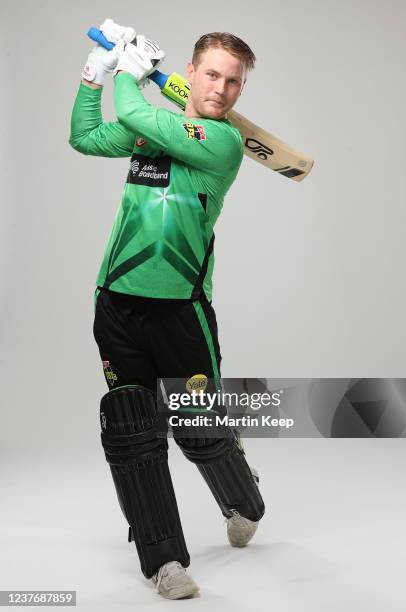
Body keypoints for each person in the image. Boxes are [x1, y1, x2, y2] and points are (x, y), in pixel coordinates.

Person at [69, 19, 265, 600]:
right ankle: (164, 562)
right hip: (118, 304)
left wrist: (128, 78)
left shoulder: (223, 143)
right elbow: (84, 137)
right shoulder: (153, 131)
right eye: (212, 74)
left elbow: (136, 114)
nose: (222, 89)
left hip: (182, 312)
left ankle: (243, 498)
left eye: (234, 82)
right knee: (133, 432)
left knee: (197, 423)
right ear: (190, 73)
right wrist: (93, 77)